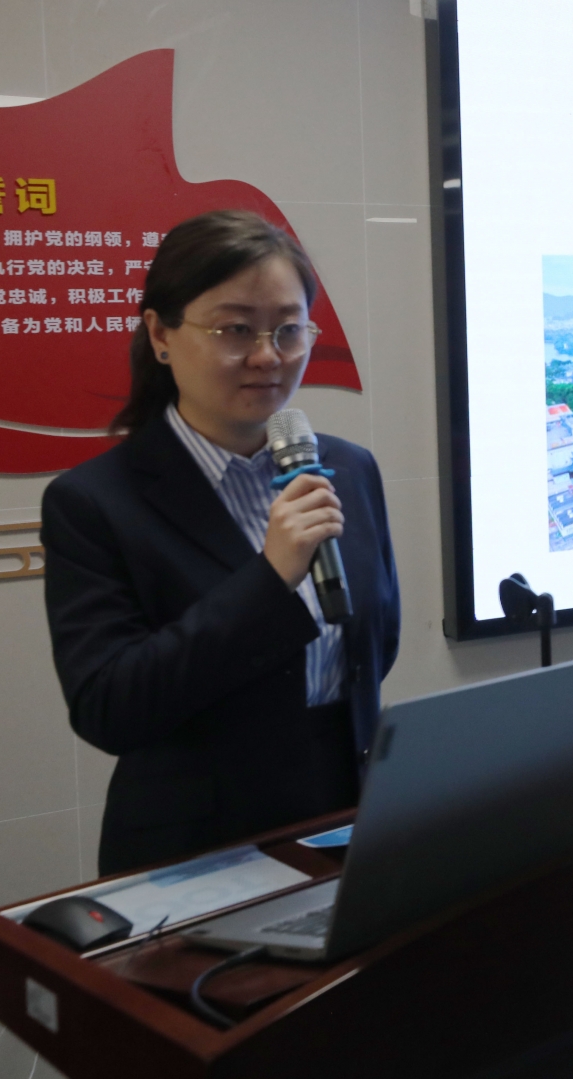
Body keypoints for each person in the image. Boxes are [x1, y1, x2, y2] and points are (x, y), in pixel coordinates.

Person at [41, 210, 399, 875]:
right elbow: (109, 709)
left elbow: (377, 647)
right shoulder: (94, 501)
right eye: (235, 329)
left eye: (288, 329)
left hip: (350, 817)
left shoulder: (347, 469)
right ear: (161, 334)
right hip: (196, 848)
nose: (268, 356)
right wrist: (269, 578)